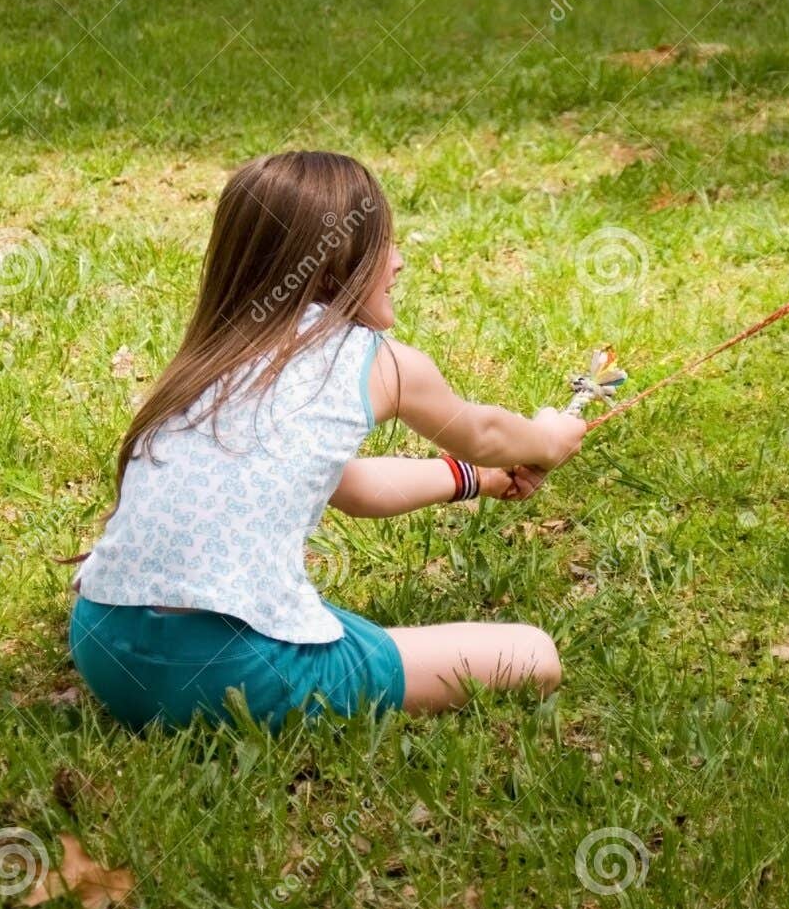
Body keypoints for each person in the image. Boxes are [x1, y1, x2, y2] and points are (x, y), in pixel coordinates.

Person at [69, 151, 586, 730]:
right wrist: (547, 438)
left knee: (328, 626)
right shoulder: (380, 363)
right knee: (533, 654)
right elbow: (487, 433)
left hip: (104, 646)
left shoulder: (215, 357)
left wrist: (475, 479)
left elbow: (351, 485)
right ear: (332, 263)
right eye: (383, 245)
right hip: (228, 676)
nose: (398, 262)